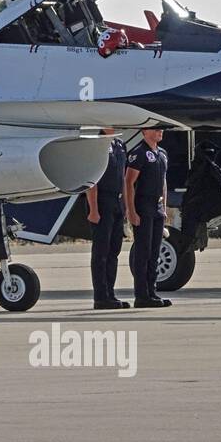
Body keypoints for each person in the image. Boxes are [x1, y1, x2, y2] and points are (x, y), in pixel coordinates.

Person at [125, 126, 172, 308]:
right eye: (156, 129)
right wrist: (131, 211)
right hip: (143, 206)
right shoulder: (139, 153)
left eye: (161, 129)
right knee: (143, 252)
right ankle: (141, 295)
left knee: (154, 252)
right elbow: (129, 182)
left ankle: (152, 292)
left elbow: (164, 181)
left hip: (157, 206)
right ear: (145, 131)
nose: (160, 131)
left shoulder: (162, 153)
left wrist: (165, 207)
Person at [86, 127, 129, 309]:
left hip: (117, 201)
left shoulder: (120, 145)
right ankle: (101, 296)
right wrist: (93, 209)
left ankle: (110, 293)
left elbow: (123, 179)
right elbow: (91, 179)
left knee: (114, 251)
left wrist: (126, 206)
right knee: (101, 252)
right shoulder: (97, 144)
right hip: (102, 201)